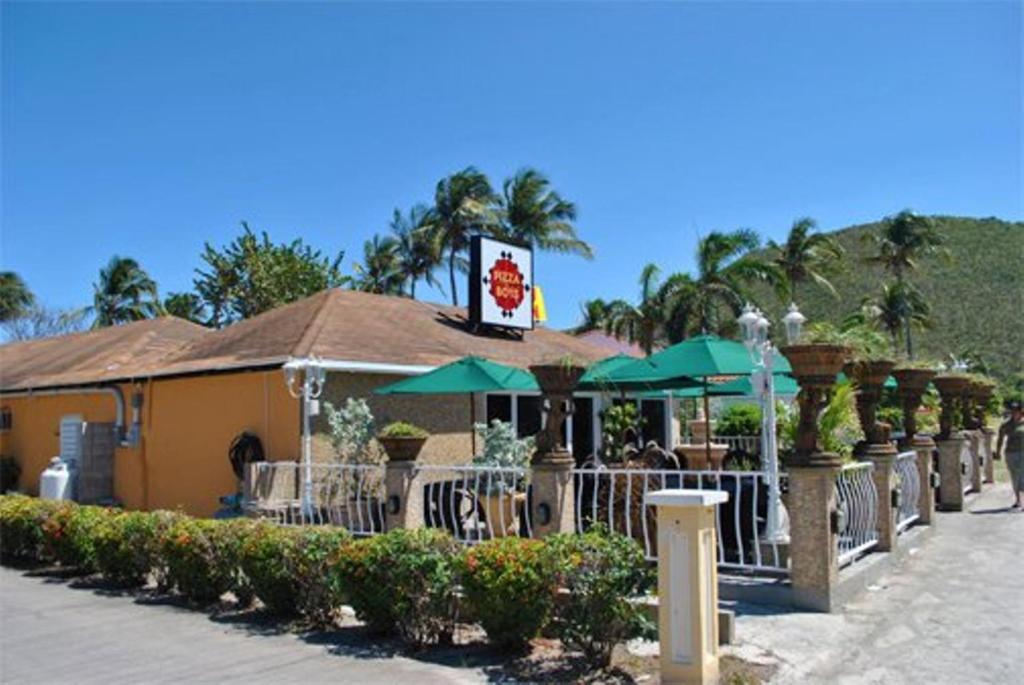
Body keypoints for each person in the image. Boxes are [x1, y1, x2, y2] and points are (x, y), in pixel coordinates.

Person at [996, 399, 1024, 510]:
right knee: (1015, 477)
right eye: (1012, 411)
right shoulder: (1006, 424)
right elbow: (1000, 439)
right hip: (1011, 453)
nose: (1014, 413)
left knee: (1023, 477)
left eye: (1016, 411)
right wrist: (997, 452)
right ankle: (1018, 500)